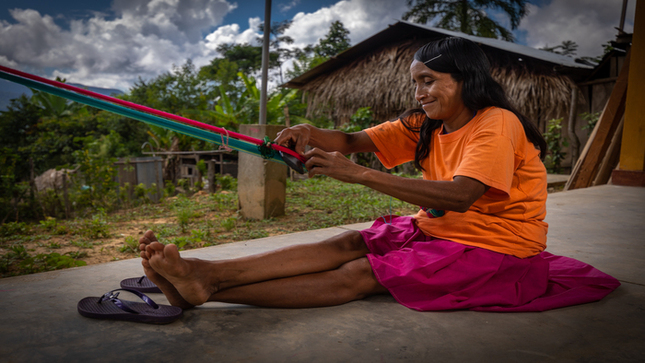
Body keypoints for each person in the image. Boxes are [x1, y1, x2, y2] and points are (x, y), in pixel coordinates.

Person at [139, 37, 619, 312]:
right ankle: (204, 275)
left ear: (465, 81)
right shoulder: (425, 122)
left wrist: (359, 177)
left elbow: (462, 196)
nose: (420, 93)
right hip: (442, 230)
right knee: (348, 241)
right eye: (416, 83)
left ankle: (209, 287)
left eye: (428, 81)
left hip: (495, 246)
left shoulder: (495, 123)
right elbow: (352, 142)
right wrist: (312, 132)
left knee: (362, 273)